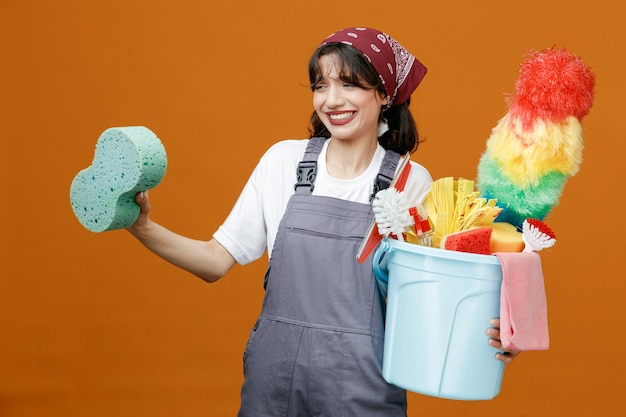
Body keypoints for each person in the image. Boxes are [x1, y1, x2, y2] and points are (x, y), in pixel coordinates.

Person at [127, 27, 519, 417]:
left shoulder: (409, 183)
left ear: (384, 94)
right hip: (273, 383)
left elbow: (431, 300)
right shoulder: (282, 162)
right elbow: (214, 261)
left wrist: (494, 334)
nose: (331, 100)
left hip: (363, 388)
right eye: (320, 86)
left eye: (349, 84)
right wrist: (141, 226)